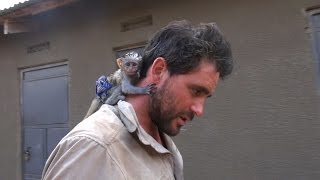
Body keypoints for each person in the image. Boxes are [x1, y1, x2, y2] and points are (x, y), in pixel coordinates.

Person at [42, 20, 234, 180]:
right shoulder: (95, 147)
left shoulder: (163, 144)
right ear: (159, 71)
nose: (200, 110)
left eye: (205, 97)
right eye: (195, 90)